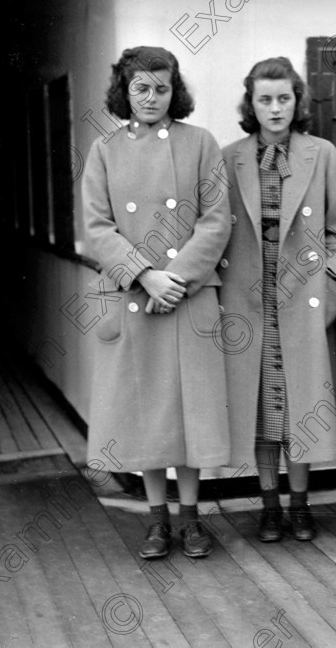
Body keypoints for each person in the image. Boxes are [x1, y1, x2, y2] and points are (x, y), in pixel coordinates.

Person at [83, 46, 231, 559]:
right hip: (136, 297)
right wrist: (146, 276)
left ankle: (191, 520)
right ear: (125, 91)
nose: (151, 98)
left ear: (176, 90)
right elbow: (97, 227)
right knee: (149, 414)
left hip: (188, 299)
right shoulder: (104, 150)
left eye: (161, 88)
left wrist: (178, 277)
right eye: (141, 88)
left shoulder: (201, 144)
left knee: (188, 414)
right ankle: (156, 521)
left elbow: (217, 220)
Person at [219, 57, 336, 543]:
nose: (275, 108)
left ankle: (301, 505)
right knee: (262, 407)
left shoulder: (321, 154)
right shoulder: (229, 157)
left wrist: (332, 284)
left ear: (297, 101)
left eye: (284, 98)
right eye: (265, 99)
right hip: (249, 300)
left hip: (304, 296)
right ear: (250, 104)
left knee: (301, 402)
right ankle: (269, 506)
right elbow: (216, 232)